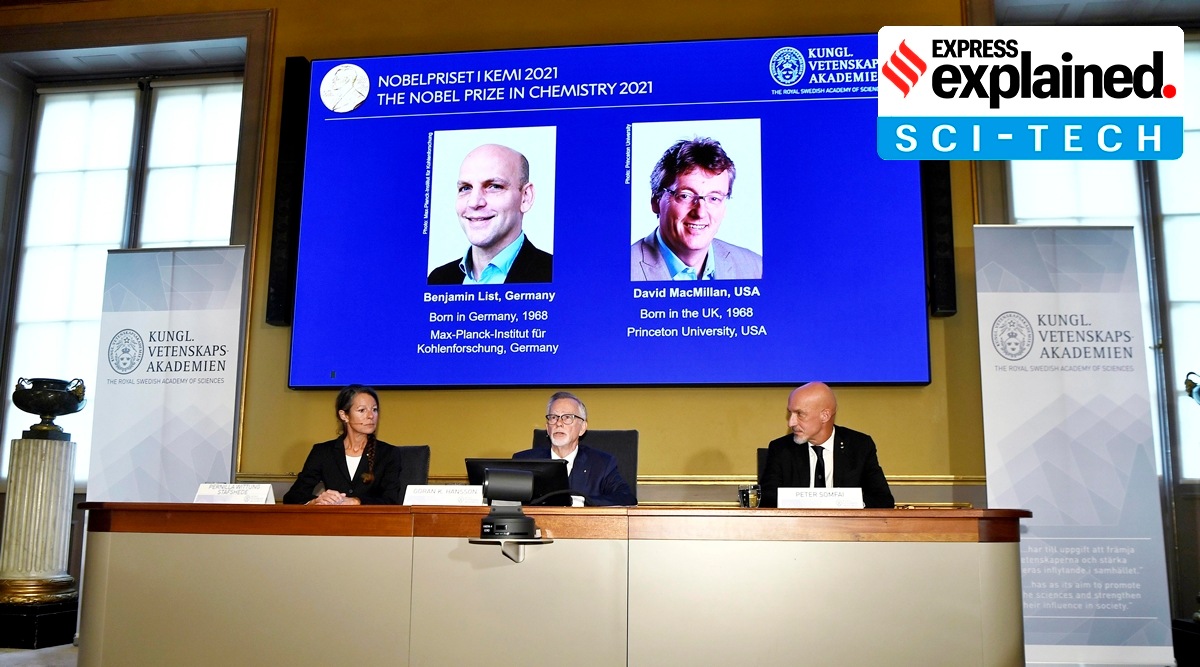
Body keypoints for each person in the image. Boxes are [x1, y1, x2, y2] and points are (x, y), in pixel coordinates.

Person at [631, 136, 763, 281]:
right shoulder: (623, 270)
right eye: (685, 196)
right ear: (656, 201)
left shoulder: (756, 268)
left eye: (714, 198)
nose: (700, 213)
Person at [429, 143, 552, 284]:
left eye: (494, 186)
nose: (474, 202)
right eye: (465, 188)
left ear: (525, 197)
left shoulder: (555, 275)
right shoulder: (437, 280)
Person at [760, 382, 894, 509]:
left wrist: (849, 504)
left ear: (825, 415)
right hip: (795, 525)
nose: (791, 422)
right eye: (790, 413)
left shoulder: (859, 446)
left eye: (800, 414)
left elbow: (883, 500)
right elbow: (766, 500)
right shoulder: (781, 449)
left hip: (846, 525)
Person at [283, 384, 405, 505]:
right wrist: (316, 501)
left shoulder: (388, 453)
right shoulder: (323, 452)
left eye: (374, 409)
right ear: (344, 415)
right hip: (332, 517)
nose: (371, 416)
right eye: (362, 410)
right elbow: (293, 496)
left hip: (371, 518)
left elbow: (392, 500)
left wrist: (356, 501)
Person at [511, 391, 637, 506]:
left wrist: (582, 502)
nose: (558, 423)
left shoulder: (602, 464)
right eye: (553, 417)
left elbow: (626, 498)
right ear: (547, 427)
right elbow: (507, 500)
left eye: (567, 417)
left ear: (582, 428)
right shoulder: (523, 461)